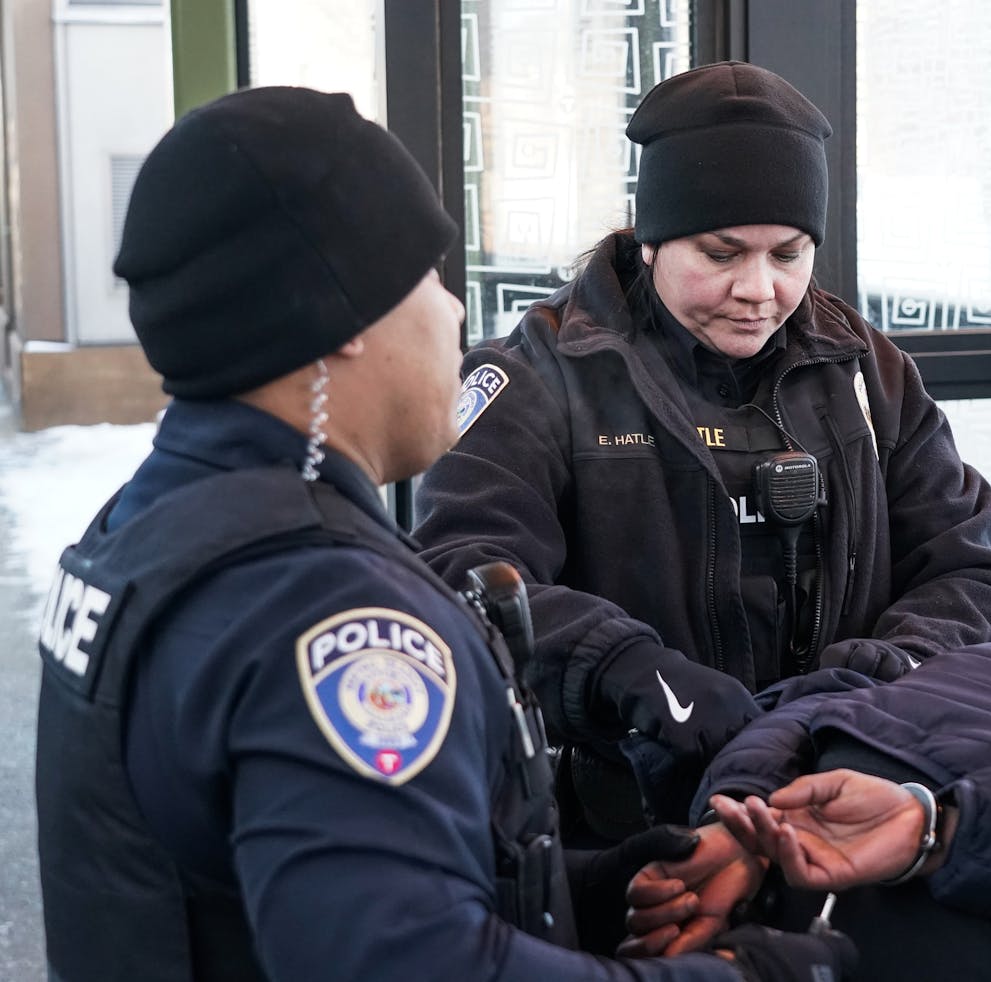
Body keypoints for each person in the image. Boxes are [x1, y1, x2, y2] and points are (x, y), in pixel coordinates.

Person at [32, 86, 855, 982]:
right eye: (427, 279)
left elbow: (275, 885)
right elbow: (405, 961)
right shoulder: (328, 613)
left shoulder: (144, 526)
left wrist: (593, 888)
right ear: (338, 321)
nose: (455, 314)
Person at [413, 61, 991, 842]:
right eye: (722, 253)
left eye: (789, 254)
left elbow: (969, 570)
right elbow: (461, 572)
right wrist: (624, 667)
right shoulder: (538, 376)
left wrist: (885, 672)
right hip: (614, 831)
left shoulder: (867, 373)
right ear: (650, 238)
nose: (758, 289)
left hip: (842, 802)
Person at [621, 627, 991, 981]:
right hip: (900, 903)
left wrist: (747, 808)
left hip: (764, 860)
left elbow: (827, 695)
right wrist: (934, 830)